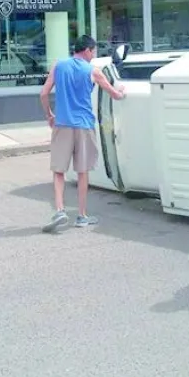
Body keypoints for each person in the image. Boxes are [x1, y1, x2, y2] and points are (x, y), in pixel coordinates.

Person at [39, 35, 125, 232]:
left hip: (62, 123)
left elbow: (43, 94)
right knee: (82, 171)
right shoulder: (93, 71)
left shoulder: (58, 66)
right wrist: (123, 92)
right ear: (87, 50)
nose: (93, 55)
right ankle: (81, 216)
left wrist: (49, 115)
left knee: (59, 170)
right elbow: (115, 94)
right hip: (84, 126)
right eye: (93, 52)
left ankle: (60, 210)